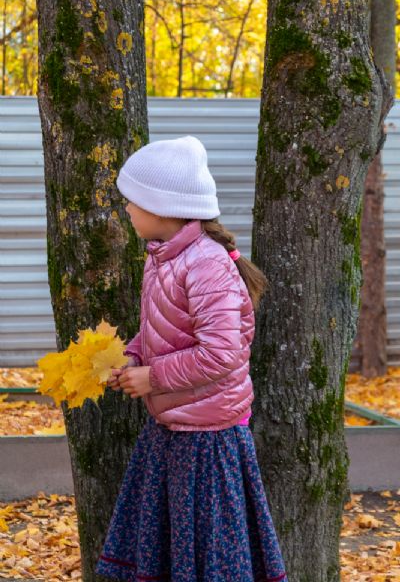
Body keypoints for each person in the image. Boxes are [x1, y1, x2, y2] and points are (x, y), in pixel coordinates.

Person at [95, 135, 288, 582]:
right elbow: (161, 327)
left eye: (133, 201)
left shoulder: (206, 264)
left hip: (208, 441)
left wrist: (153, 377)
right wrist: (132, 357)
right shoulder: (162, 258)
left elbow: (221, 353)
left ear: (162, 207)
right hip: (173, 430)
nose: (127, 209)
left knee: (208, 560)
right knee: (174, 556)